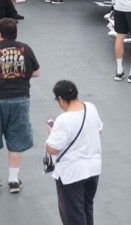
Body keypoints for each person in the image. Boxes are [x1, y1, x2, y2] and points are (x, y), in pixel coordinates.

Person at [0, 17, 41, 193]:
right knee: (17, 141)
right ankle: (14, 180)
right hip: (20, 101)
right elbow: (37, 72)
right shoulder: (25, 49)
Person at [45, 80, 103, 225]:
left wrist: (51, 133)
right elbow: (98, 130)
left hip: (71, 175)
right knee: (86, 208)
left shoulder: (63, 120)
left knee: (73, 217)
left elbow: (52, 148)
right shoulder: (91, 107)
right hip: (93, 170)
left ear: (60, 99)